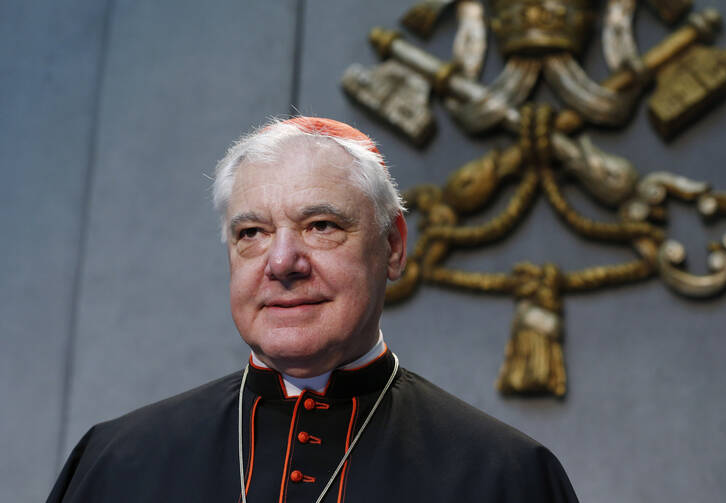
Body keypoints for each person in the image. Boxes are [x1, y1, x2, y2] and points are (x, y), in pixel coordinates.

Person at [47, 117, 579, 502]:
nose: (282, 263)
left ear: (392, 247)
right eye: (251, 233)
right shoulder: (115, 461)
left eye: (320, 226)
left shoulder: (504, 478)